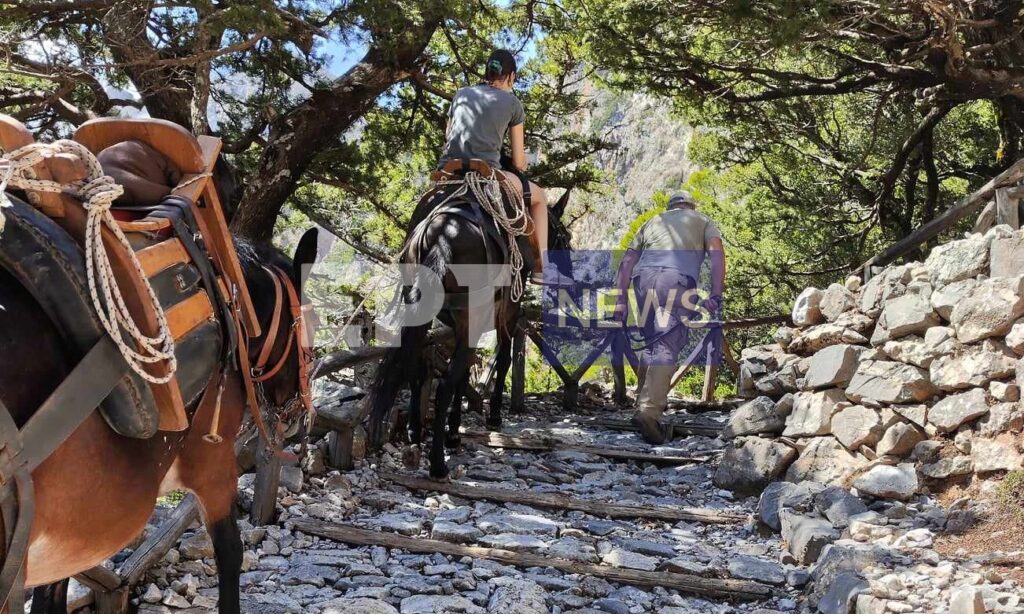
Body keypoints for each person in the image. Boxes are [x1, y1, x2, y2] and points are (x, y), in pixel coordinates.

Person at [438, 49, 567, 285]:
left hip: (448, 173)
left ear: (487, 72)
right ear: (511, 77)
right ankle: (542, 269)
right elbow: (518, 162)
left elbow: (449, 137)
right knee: (539, 197)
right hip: (485, 177)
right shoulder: (512, 103)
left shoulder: (461, 94)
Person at [613, 191, 726, 444]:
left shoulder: (653, 222)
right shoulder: (702, 220)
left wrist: (620, 299)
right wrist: (716, 294)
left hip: (642, 281)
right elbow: (716, 252)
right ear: (690, 206)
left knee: (652, 342)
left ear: (671, 207)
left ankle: (642, 406)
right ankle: (649, 413)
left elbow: (628, 260)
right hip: (675, 280)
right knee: (666, 343)